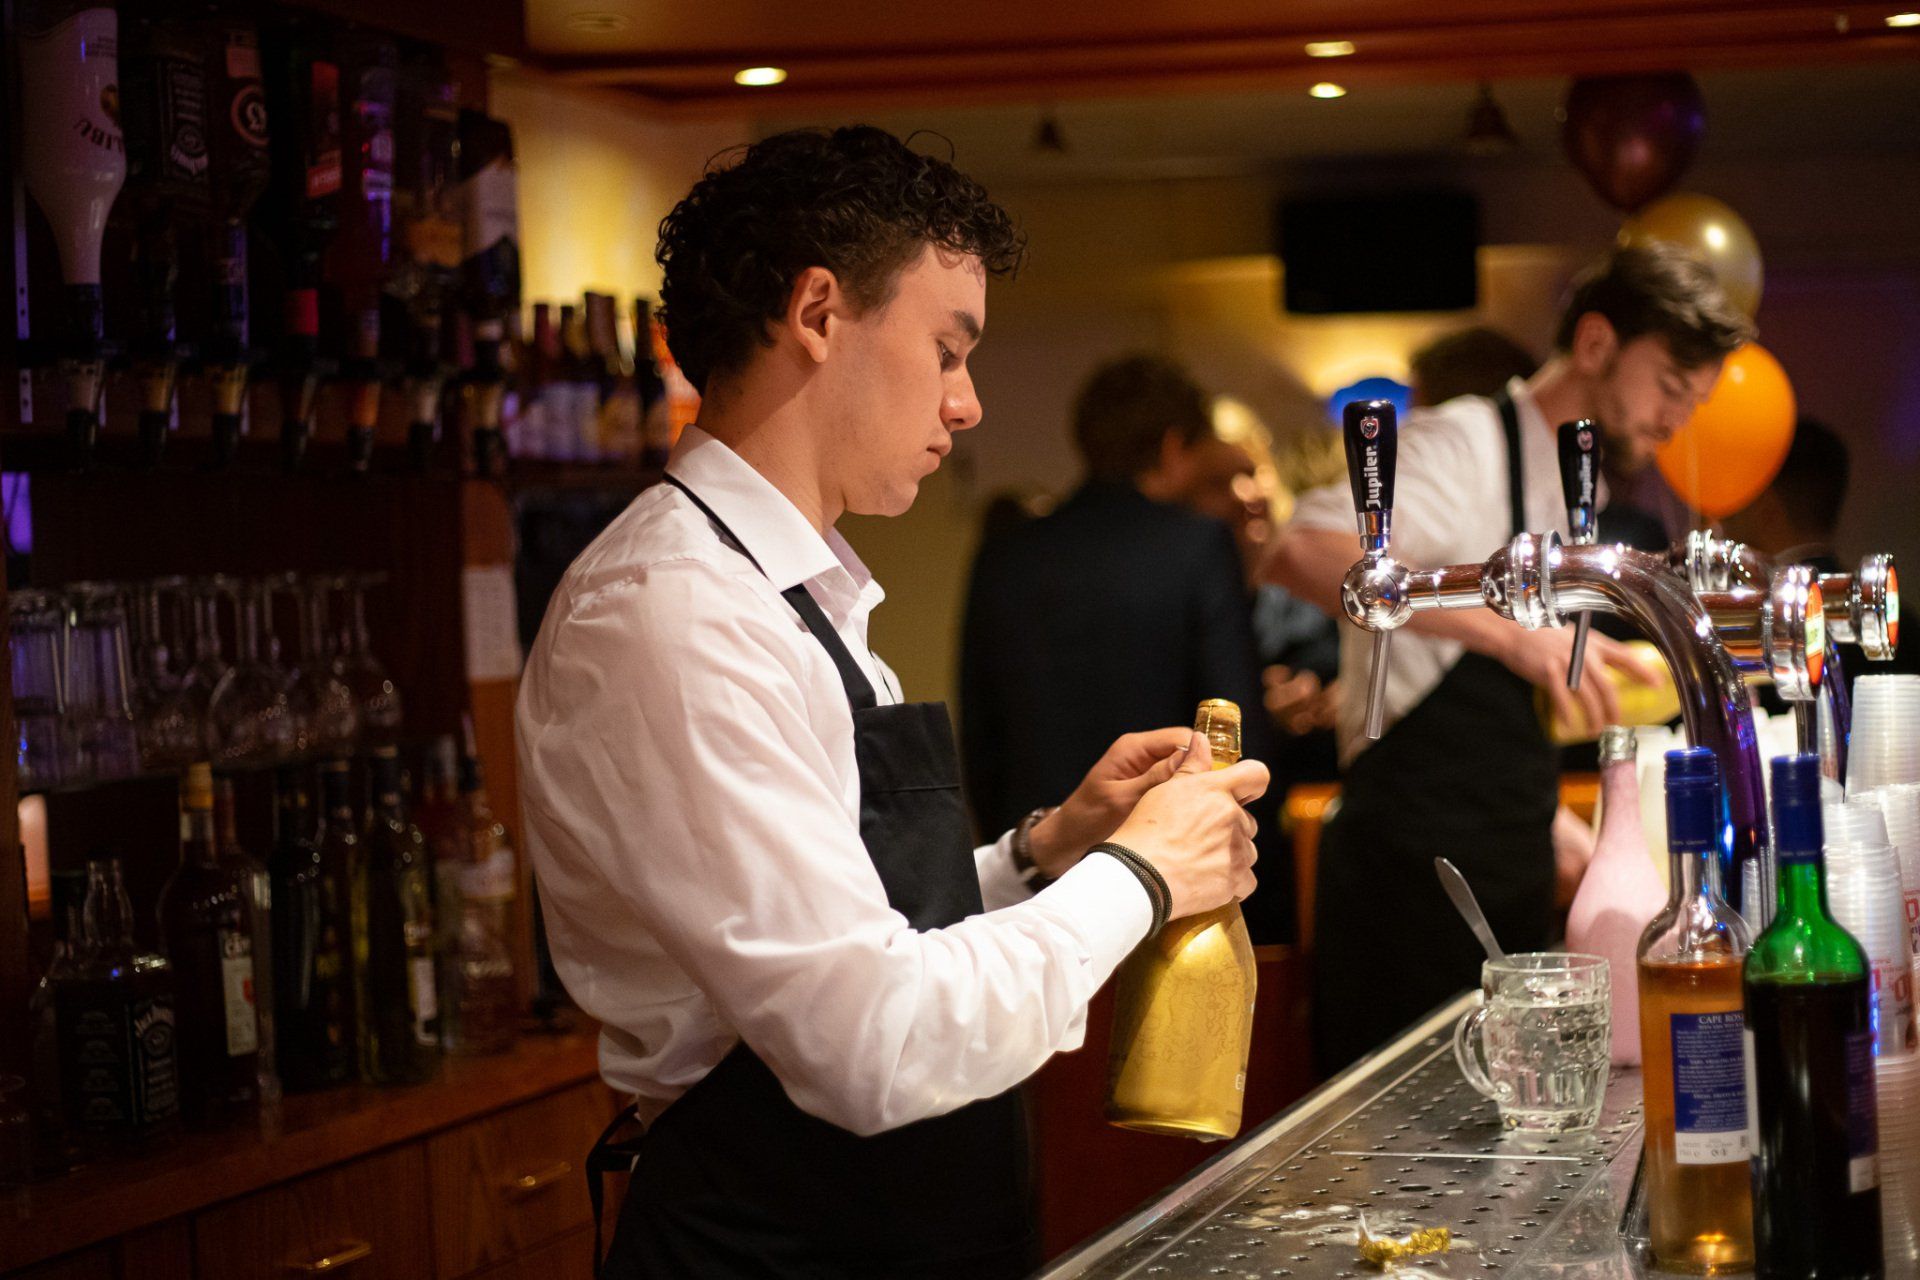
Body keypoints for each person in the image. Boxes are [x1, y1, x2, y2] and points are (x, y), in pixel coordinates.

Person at [514, 127, 1267, 1279]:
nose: (967, 405)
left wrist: (1046, 853)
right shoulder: (671, 611)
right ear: (819, 313)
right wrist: (1143, 872)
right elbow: (867, 1035)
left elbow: (849, 922)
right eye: (947, 350)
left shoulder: (792, 589)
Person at [1265, 241, 1752, 1074]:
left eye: (1693, 401)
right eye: (1671, 385)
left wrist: (1547, 816)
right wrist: (1513, 632)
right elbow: (1302, 550)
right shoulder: (1466, 443)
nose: (1676, 419)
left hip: (1508, 867)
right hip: (1403, 881)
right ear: (1595, 343)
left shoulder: (1577, 485)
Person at [960, 354, 1292, 942]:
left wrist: (1019, 850)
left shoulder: (1007, 554)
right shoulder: (1196, 545)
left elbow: (979, 728)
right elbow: (1230, 719)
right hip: (1162, 872)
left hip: (1036, 872)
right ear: (1173, 446)